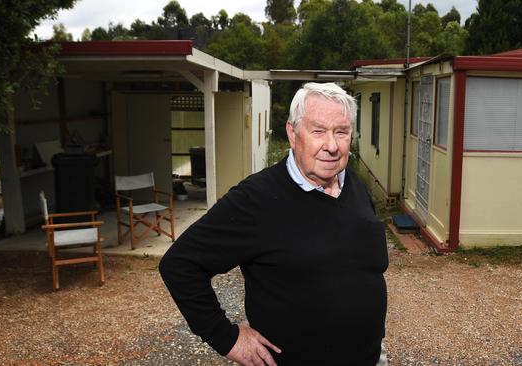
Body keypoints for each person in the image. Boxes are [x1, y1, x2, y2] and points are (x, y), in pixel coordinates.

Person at [159, 82, 389, 366]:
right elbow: (180, 265)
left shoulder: (354, 184)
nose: (331, 146)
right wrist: (226, 338)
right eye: (318, 131)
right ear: (293, 134)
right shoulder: (257, 199)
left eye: (340, 132)